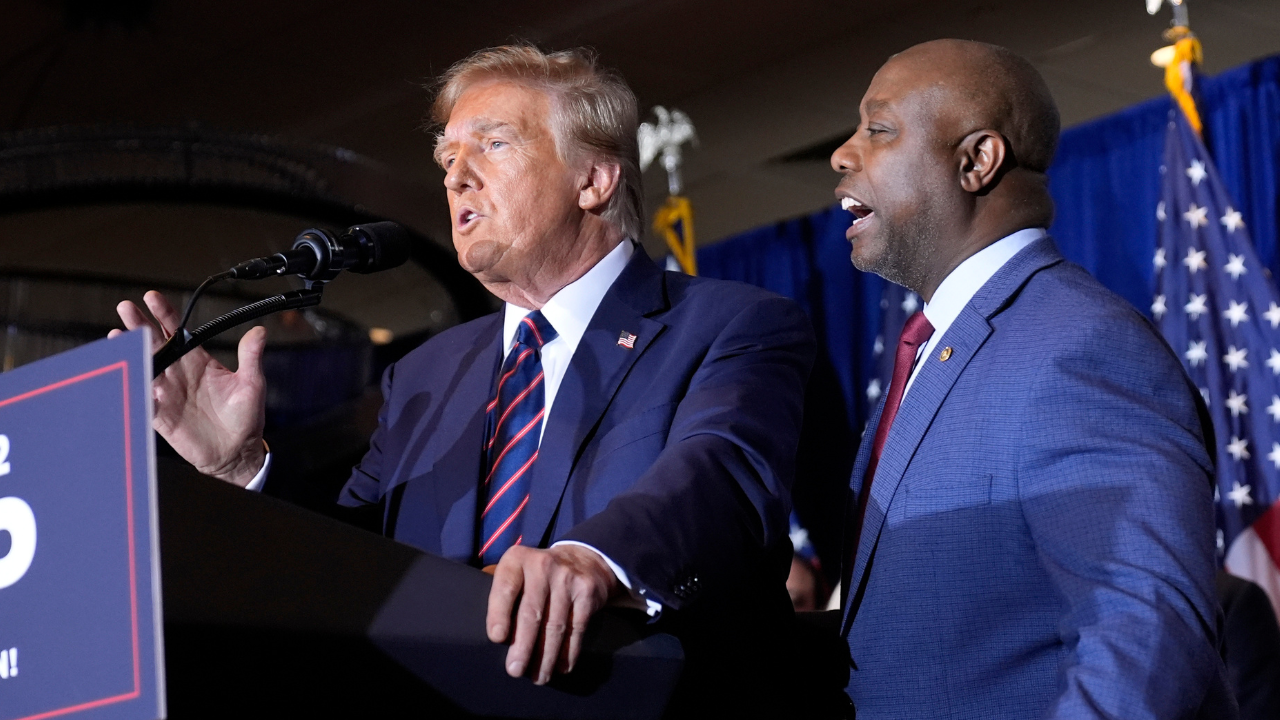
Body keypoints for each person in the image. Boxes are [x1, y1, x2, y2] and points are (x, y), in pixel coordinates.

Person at [114, 46, 815, 711]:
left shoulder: (732, 323)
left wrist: (592, 558)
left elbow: (718, 474)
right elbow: (353, 563)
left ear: (594, 180)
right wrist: (242, 468)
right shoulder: (424, 375)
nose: (455, 175)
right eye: (448, 156)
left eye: (494, 144)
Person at [829, 39, 1233, 718]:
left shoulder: (1079, 347)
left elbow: (1148, 637)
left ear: (976, 160)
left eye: (878, 129)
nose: (843, 154)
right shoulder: (937, 350)